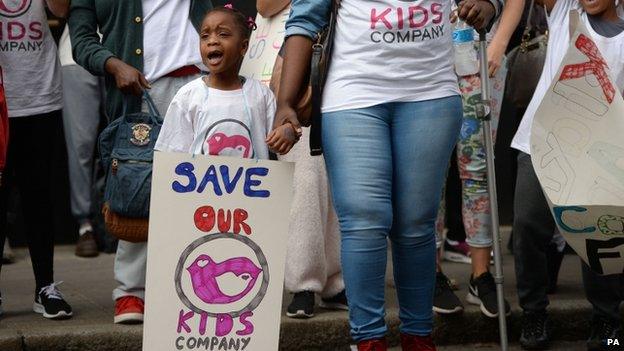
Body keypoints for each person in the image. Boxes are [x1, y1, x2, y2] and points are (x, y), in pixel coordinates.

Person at [277, 0, 502, 349]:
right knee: (365, 218)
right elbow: (305, 19)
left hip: (430, 94)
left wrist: (487, 7)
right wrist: (285, 102)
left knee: (415, 224)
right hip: (353, 93)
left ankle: (418, 337)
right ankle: (368, 340)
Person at [69, 0, 212, 324]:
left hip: (203, 82)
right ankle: (131, 290)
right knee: (138, 190)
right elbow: (81, 41)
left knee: (203, 193)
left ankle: (190, 288)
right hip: (145, 89)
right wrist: (113, 64)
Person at [510, 0, 624, 349]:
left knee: (600, 237)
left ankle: (607, 322)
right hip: (541, 141)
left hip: (600, 151)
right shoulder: (562, 11)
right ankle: (533, 312)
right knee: (527, 227)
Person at [257, 0, 348, 319]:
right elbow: (265, 5)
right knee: (305, 184)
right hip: (304, 72)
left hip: (355, 74)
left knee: (343, 187)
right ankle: (303, 284)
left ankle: (336, 281)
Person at [433, 0, 524, 318]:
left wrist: (500, 43)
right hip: (424, 58)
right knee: (430, 170)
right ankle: (431, 274)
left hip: (481, 51)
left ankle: (481, 275)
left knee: (478, 166)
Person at [0, 0, 73, 320]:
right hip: (2, 100)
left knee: (39, 197)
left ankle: (45, 288)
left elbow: (60, 10)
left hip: (39, 95)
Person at [155, 6, 295, 158]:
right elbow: (171, 154)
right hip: (201, 181)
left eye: (223, 34)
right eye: (205, 36)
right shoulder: (187, 96)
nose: (212, 41)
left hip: (250, 182)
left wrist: (287, 132)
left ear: (243, 47)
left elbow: (278, 140)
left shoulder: (261, 95)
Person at [58, 25, 104, 258]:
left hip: (129, 51)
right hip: (75, 53)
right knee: (81, 144)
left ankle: (126, 222)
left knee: (131, 138)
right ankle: (85, 224)